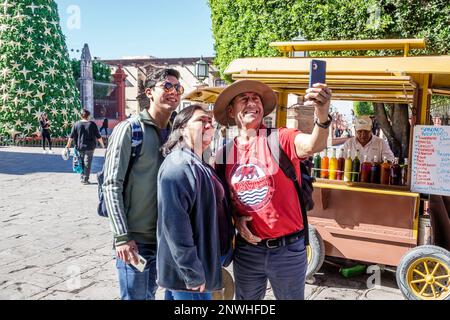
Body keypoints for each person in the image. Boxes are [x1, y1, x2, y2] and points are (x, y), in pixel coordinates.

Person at [213, 79, 332, 300]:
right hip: (247, 251)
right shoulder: (223, 155)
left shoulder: (281, 138)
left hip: (288, 251)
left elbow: (314, 144)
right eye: (244, 99)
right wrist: (237, 219)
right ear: (231, 111)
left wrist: (322, 114)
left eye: (255, 98)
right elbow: (224, 202)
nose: (252, 103)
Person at [102, 68, 182, 300]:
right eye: (167, 86)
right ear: (149, 92)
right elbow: (111, 184)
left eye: (177, 88)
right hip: (135, 241)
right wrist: (121, 236)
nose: (173, 92)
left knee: (153, 294)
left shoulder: (178, 133)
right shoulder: (129, 129)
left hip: (168, 239)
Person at [156, 105, 234, 300]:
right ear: (181, 129)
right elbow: (175, 225)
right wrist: (192, 272)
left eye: (210, 122)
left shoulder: (197, 162)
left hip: (200, 265)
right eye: (202, 120)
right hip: (190, 274)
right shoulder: (179, 165)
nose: (209, 125)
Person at [65, 109, 105, 184]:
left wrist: (67, 146)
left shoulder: (76, 124)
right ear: (88, 116)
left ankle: (82, 178)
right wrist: (103, 145)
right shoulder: (92, 124)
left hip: (79, 147)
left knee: (81, 162)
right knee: (87, 163)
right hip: (90, 147)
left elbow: (71, 137)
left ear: (81, 116)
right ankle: (85, 179)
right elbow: (98, 136)